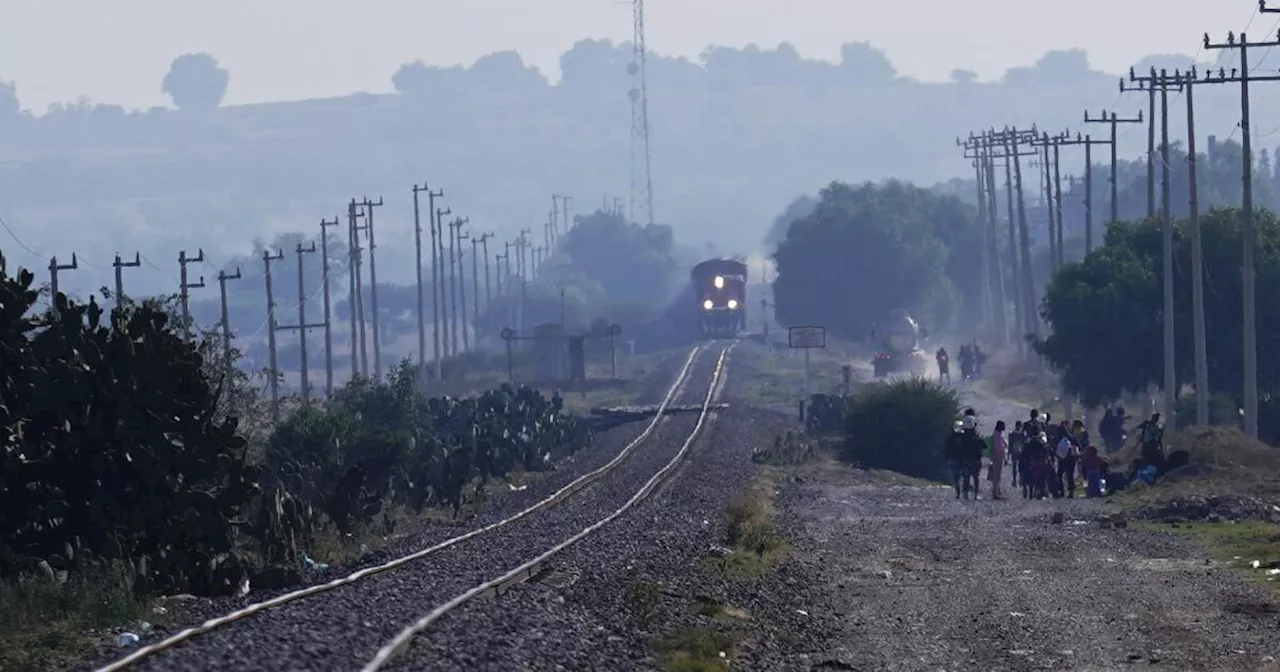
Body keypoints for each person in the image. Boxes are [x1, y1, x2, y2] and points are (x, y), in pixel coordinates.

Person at [960, 415, 986, 498]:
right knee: (976, 477)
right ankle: (976, 494)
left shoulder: (962, 438)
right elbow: (985, 446)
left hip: (966, 460)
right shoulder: (977, 437)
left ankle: (965, 493)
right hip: (976, 460)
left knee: (966, 477)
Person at [1055, 423, 1080, 498]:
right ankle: (1071, 492)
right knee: (1070, 475)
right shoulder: (1072, 438)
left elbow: (1055, 449)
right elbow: (1078, 446)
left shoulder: (1058, 439)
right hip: (1071, 459)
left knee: (1059, 475)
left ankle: (1062, 491)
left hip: (1062, 460)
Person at [945, 420, 967, 499]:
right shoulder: (950, 437)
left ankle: (963, 492)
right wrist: (947, 458)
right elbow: (947, 449)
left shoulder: (964, 437)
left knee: (964, 477)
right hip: (955, 460)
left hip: (962, 460)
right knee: (956, 478)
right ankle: (958, 493)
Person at [989, 420, 1008, 499]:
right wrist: (1004, 457)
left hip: (996, 455)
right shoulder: (998, 435)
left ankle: (997, 490)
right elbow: (999, 448)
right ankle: (995, 493)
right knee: (996, 475)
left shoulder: (997, 434)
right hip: (998, 456)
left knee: (997, 474)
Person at [1008, 421, 1026, 488]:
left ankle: (1014, 481)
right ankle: (1021, 480)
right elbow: (1024, 443)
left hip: (1014, 451)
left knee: (1014, 467)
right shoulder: (1022, 434)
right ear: (1021, 426)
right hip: (1021, 452)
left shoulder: (1012, 434)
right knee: (1021, 467)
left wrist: (1008, 454)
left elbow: (1010, 445)